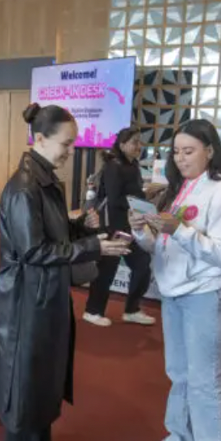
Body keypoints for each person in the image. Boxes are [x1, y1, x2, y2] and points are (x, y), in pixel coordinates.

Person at [0, 104, 130, 441]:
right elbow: (33, 251)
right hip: (25, 297)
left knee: (47, 367)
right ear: (39, 139)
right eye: (66, 144)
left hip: (47, 291)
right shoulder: (24, 187)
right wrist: (92, 247)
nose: (71, 151)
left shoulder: (45, 180)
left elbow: (53, 235)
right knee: (26, 371)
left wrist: (82, 227)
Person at [132, 119, 221, 441]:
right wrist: (141, 229)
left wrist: (178, 230)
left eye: (189, 151)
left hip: (205, 294)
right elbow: (160, 245)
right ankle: (181, 439)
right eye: (177, 152)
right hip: (174, 292)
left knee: (204, 379)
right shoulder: (179, 189)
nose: (181, 158)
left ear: (209, 151)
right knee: (179, 374)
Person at [84, 127, 156, 327]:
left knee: (142, 264)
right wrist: (140, 202)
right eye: (134, 142)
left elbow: (132, 193)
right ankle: (92, 311)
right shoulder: (113, 166)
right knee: (107, 269)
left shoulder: (132, 165)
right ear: (122, 145)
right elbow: (115, 199)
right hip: (113, 226)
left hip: (130, 225)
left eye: (140, 141)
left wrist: (144, 197)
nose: (139, 146)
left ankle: (132, 309)